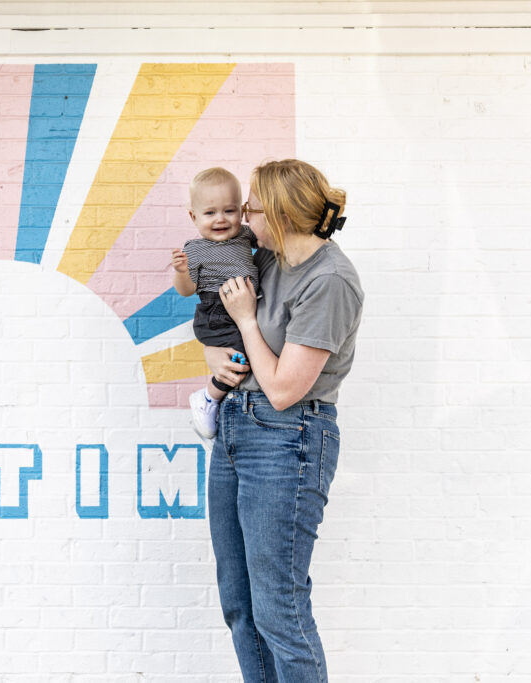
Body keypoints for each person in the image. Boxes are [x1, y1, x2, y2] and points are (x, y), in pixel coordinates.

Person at [205, 159, 363, 682]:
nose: (245, 215)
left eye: (252, 206)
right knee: (241, 604)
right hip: (235, 429)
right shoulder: (270, 261)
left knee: (279, 608)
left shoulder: (330, 280)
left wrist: (247, 319)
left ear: (280, 213)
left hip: (288, 437)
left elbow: (283, 389)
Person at [171, 167, 259, 439]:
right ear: (193, 216)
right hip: (216, 310)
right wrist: (182, 272)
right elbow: (186, 291)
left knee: (256, 345)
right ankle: (208, 397)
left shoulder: (244, 235)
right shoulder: (194, 250)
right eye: (210, 213)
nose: (221, 219)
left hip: (244, 303)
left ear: (242, 211)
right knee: (245, 353)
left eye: (229, 210)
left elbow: (270, 239)